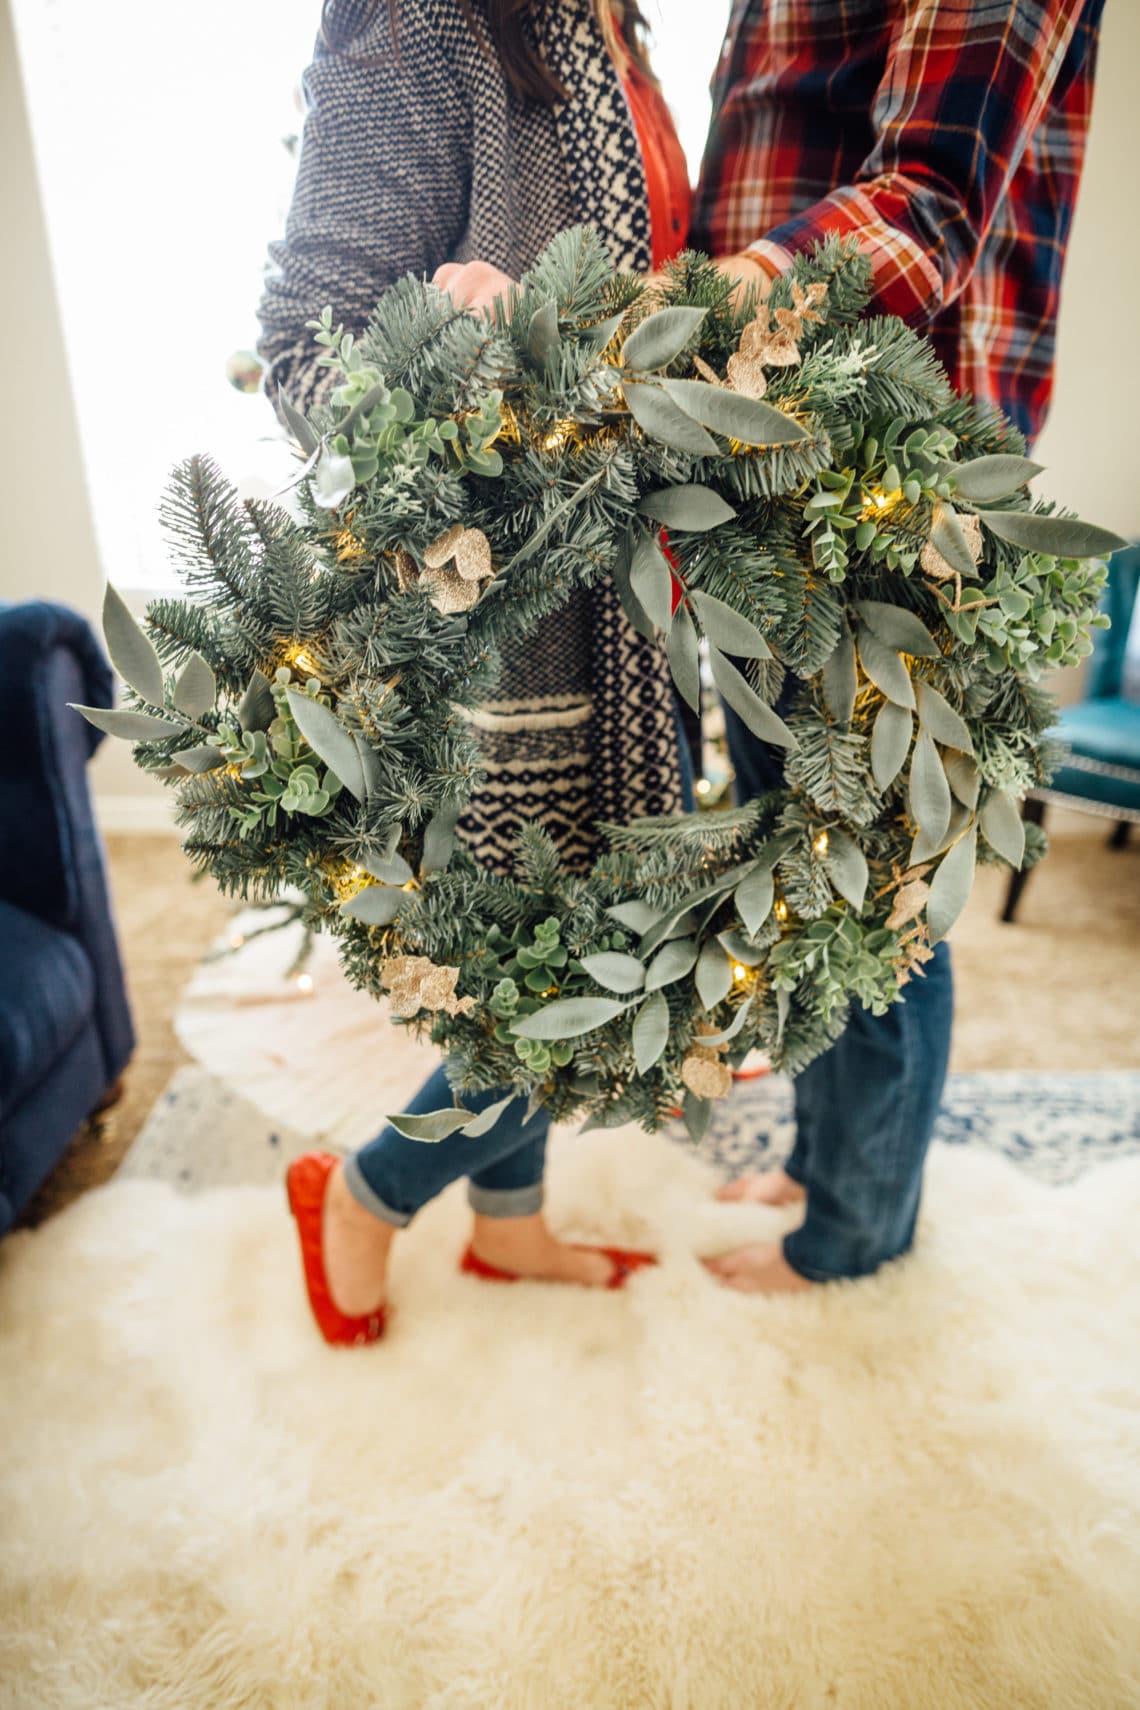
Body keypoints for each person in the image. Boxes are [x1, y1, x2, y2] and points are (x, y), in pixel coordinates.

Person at [260, 0, 758, 1345]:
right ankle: (365, 1191)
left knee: (560, 941)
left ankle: (509, 1218)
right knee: (562, 965)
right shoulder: (426, 25)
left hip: (629, 592)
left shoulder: (612, 33)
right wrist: (468, 358)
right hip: (507, 614)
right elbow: (306, 343)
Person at [695, 0, 1105, 1292]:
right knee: (804, 869)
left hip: (881, 485)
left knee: (869, 895)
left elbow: (929, 195)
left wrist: (678, 311)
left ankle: (856, 1233)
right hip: (770, 468)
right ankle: (831, 1166)